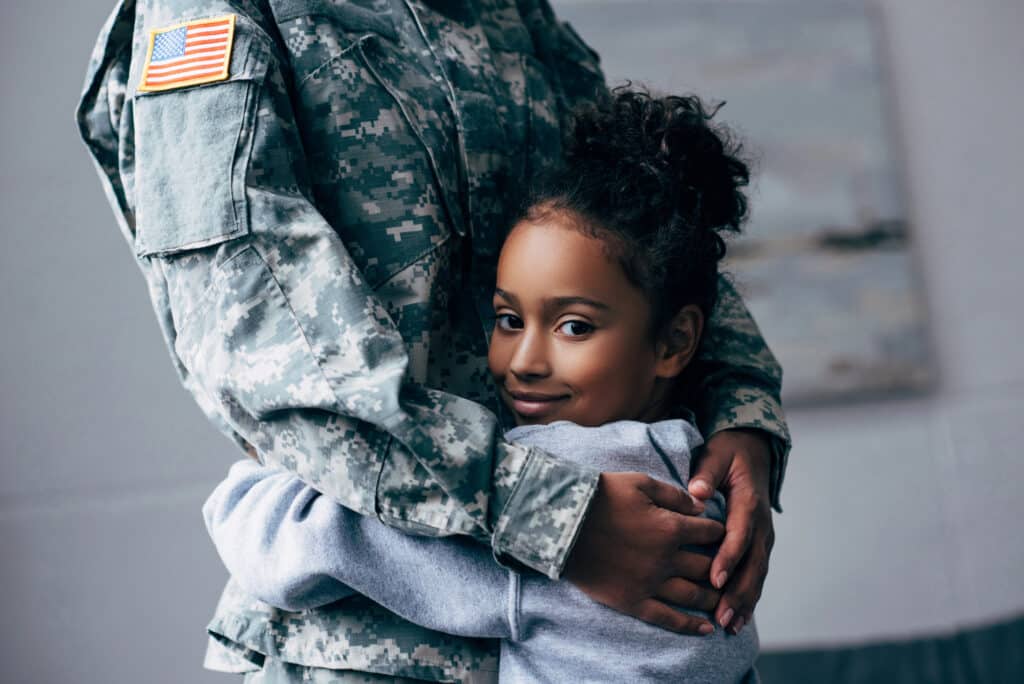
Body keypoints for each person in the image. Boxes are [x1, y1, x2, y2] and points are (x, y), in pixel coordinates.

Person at [76, 1, 789, 681]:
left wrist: (743, 411)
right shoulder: (216, 11)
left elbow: (643, 225)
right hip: (371, 648)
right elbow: (250, 320)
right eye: (514, 321)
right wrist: (552, 514)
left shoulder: (512, 11)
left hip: (584, 577)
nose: (527, 356)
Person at [206, 89, 764, 683]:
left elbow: (287, 543)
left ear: (676, 342)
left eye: (573, 326)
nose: (524, 361)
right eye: (508, 320)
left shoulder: (576, 496)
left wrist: (261, 475)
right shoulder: (704, 482)